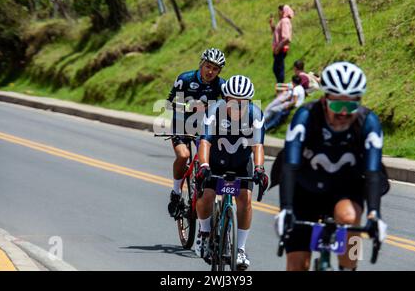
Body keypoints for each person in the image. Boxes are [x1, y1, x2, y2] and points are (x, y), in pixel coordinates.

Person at [271, 61, 389, 271]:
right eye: (337, 104)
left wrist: (374, 215)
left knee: (350, 218)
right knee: (297, 264)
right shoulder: (306, 117)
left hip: (345, 189)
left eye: (351, 105)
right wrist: (286, 209)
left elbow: (372, 172)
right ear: (325, 100)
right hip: (304, 189)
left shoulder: (368, 122)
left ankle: (349, 267)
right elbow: (290, 165)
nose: (344, 112)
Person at [194, 75, 269, 270]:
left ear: (249, 101)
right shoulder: (214, 111)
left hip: (241, 163)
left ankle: (241, 249)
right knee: (208, 195)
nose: (237, 106)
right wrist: (203, 166)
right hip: (214, 162)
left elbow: (258, 145)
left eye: (242, 102)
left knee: (245, 199)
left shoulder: (255, 115)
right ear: (226, 99)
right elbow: (205, 141)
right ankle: (203, 232)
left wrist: (260, 168)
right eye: (233, 101)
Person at [166, 48, 226, 218]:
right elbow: (169, 104)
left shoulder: (221, 85)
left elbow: (231, 106)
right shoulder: (185, 79)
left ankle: (199, 193)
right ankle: (176, 192)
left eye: (215, 69)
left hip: (204, 128)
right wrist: (190, 107)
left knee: (206, 160)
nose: (210, 72)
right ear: (201, 64)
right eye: (208, 66)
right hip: (182, 124)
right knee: (184, 156)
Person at [269, 5, 294, 83]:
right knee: (277, 69)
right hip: (279, 49)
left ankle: (281, 88)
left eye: (280, 11)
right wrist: (272, 25)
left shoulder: (284, 21)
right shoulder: (282, 21)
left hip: (280, 49)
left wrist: (278, 48)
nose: (278, 13)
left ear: (284, 11)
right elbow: (277, 34)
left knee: (278, 69)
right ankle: (280, 88)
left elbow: (287, 38)